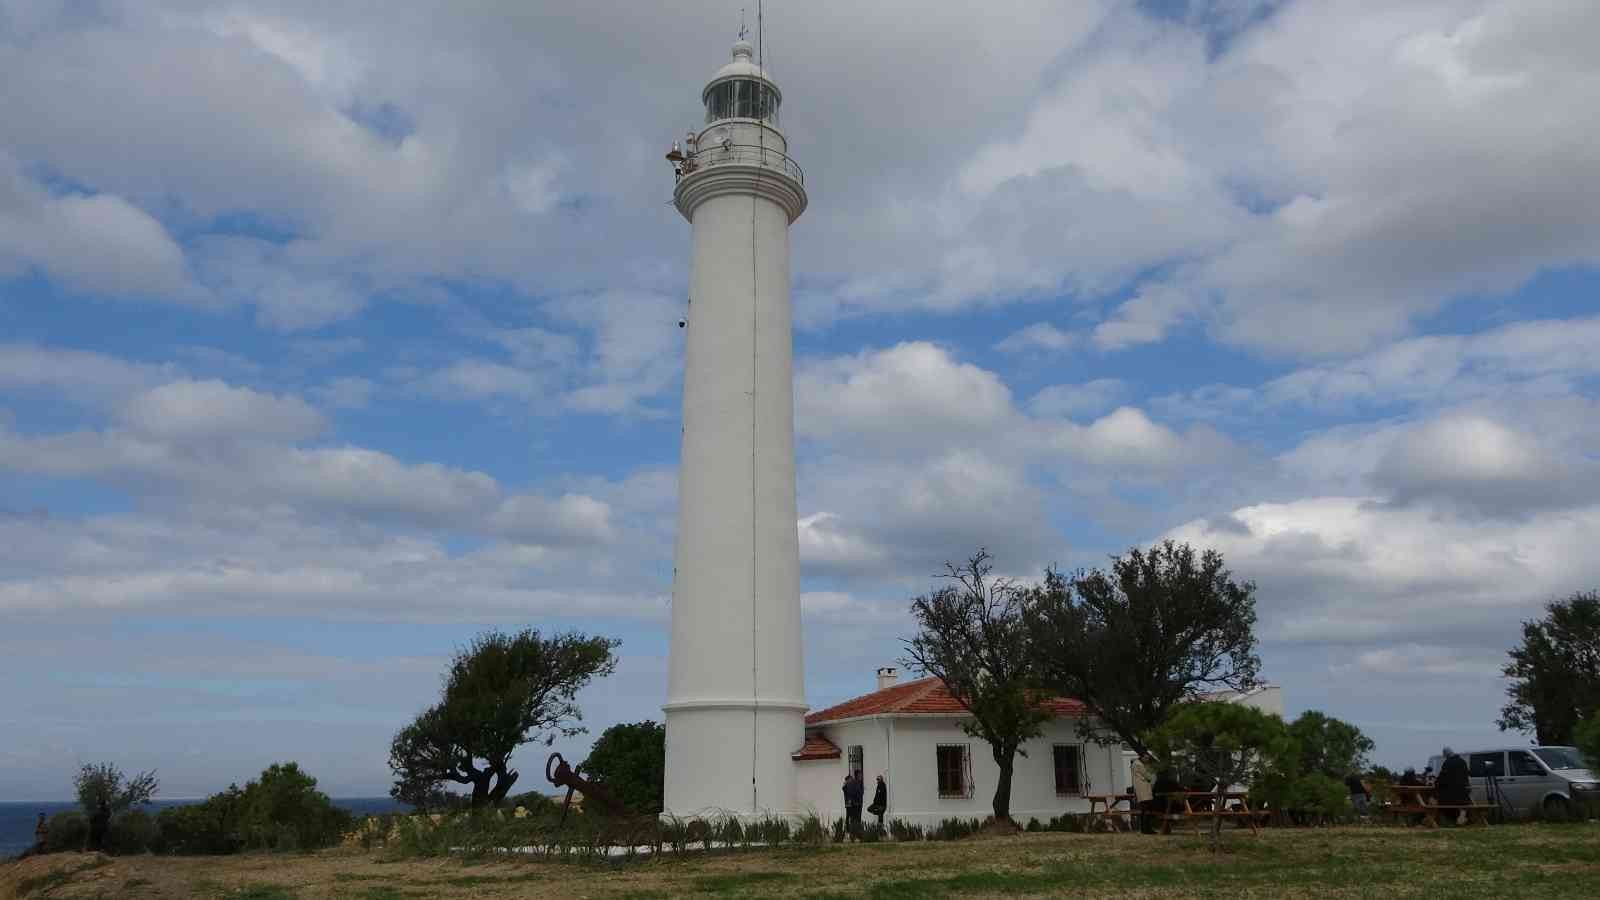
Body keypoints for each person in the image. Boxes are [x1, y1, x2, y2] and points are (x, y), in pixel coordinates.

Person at [1435, 747, 1471, 825]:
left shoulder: (1448, 762)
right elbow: (1466, 775)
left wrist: (1436, 783)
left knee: (1441, 801)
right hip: (1462, 792)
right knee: (1464, 804)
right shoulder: (1462, 762)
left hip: (1450, 793)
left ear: (1446, 754)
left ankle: (1446, 821)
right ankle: (1461, 818)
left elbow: (1443, 777)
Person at [1131, 755, 1156, 834]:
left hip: (1140, 789)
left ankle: (1143, 829)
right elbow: (1148, 776)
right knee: (1146, 810)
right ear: (1141, 757)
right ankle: (1147, 829)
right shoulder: (1139, 765)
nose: (1147, 760)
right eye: (1146, 758)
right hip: (1144, 789)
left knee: (1143, 810)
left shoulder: (1135, 764)